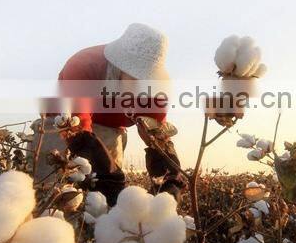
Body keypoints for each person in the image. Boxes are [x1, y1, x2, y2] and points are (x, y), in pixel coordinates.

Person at [29, 23, 184, 205]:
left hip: (111, 129)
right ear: (119, 67)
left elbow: (157, 138)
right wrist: (112, 178)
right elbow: (78, 128)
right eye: (136, 77)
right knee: (53, 189)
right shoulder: (83, 65)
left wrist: (170, 180)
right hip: (64, 123)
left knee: (103, 205)